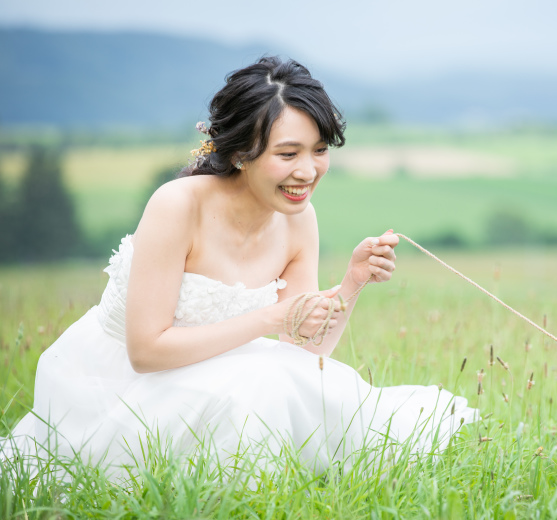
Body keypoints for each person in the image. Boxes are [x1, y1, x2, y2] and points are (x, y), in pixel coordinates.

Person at [1, 56, 477, 476]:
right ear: (238, 154)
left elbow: (302, 353)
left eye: (319, 150)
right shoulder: (177, 206)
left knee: (295, 384)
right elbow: (145, 351)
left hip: (221, 372)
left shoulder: (298, 220)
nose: (307, 171)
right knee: (263, 383)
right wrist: (267, 319)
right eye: (288, 154)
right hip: (120, 382)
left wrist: (352, 283)